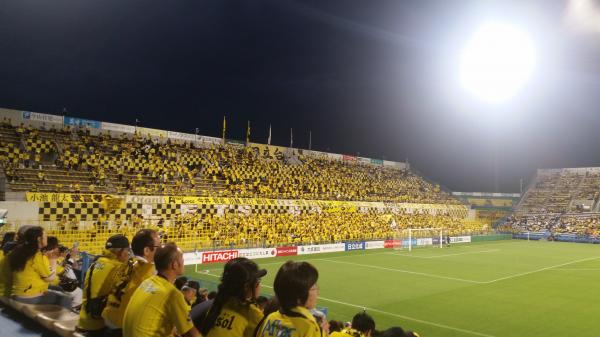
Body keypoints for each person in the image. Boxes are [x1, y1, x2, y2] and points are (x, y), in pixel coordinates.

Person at [122, 243, 199, 337]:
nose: (184, 263)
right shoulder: (172, 294)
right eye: (182, 260)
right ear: (174, 265)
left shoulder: (147, 282)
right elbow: (190, 333)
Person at [103, 229, 160, 337]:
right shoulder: (148, 271)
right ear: (147, 250)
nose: (161, 250)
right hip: (120, 327)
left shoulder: (126, 264)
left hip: (108, 318)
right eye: (159, 246)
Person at [197, 257, 266, 337]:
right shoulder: (254, 315)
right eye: (258, 281)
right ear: (246, 286)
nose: (259, 284)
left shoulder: (216, 305)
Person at [78, 234, 130, 337]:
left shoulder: (96, 262)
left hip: (84, 318)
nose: (128, 254)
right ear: (121, 252)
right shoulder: (118, 268)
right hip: (98, 324)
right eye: (127, 251)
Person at [8, 226, 72, 308]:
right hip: (29, 296)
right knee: (65, 299)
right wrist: (53, 259)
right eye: (45, 236)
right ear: (39, 239)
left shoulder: (19, 250)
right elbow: (50, 278)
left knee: (57, 292)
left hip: (17, 293)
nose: (46, 238)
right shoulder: (36, 256)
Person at [255, 261, 322, 337]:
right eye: (313, 288)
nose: (318, 292)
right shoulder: (308, 326)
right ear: (299, 295)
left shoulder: (270, 318)